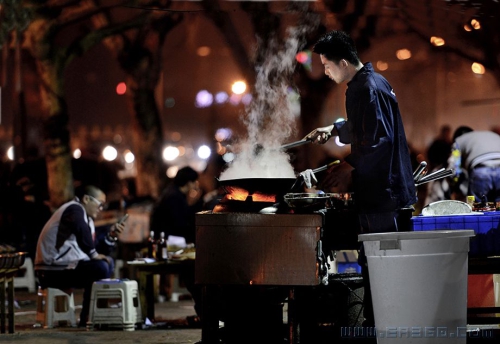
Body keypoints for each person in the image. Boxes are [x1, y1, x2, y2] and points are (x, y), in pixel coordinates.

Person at [304, 30, 417, 328]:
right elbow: (363, 126)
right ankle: (379, 324)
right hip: (378, 194)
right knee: (376, 265)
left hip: (385, 196)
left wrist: (347, 164)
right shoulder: (365, 83)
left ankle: (388, 327)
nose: (325, 71)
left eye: (327, 65)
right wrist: (333, 129)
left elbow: (380, 139)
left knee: (384, 267)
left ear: (342, 62)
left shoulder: (369, 87)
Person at [34, 185, 126, 327]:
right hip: (51, 271)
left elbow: (93, 248)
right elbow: (82, 233)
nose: (101, 209)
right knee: (100, 267)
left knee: (106, 263)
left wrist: (110, 237)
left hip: (64, 267)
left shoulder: (86, 219)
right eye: (100, 204)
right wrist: (94, 254)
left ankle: (94, 314)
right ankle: (91, 316)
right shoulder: (74, 209)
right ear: (86, 199)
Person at [149, 166, 202, 323]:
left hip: (171, 242)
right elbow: (180, 224)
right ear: (188, 182)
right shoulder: (174, 197)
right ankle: (204, 311)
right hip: (170, 245)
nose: (195, 186)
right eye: (194, 182)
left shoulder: (173, 194)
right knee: (194, 271)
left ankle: (203, 310)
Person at [448, 126, 500, 203]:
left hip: (481, 171)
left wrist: (455, 183)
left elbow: (453, 168)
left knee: (476, 206)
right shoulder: (491, 135)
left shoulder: (458, 141)